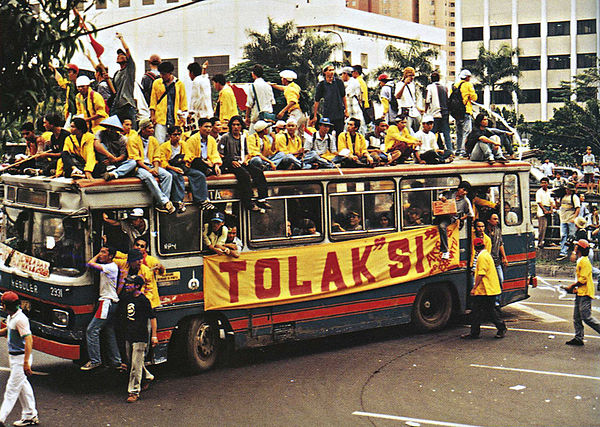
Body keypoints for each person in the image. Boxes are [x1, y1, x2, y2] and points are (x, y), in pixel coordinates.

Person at [81, 246, 123, 371]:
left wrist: (96, 255)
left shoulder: (110, 267)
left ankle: (95, 360)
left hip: (106, 303)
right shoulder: (111, 266)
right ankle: (116, 361)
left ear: (110, 256)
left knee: (92, 330)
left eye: (104, 252)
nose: (101, 254)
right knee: (109, 331)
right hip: (110, 302)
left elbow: (90, 263)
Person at [0, 292, 39, 427]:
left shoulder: (20, 319)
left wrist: (26, 363)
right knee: (22, 386)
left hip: (20, 358)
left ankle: (1, 418)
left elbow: (28, 339)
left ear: (6, 305)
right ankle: (30, 415)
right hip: (14, 357)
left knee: (11, 388)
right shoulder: (12, 317)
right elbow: (8, 331)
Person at [218, 115, 269, 212]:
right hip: (229, 162)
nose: (236, 127)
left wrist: (245, 160)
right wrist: (231, 161)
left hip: (241, 161)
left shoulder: (243, 138)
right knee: (244, 176)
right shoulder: (225, 137)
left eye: (238, 124)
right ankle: (248, 202)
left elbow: (246, 152)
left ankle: (262, 198)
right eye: (233, 125)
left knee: (258, 171)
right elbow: (220, 154)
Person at [119, 275, 157, 403]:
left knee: (135, 364)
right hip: (129, 335)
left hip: (140, 336)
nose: (127, 286)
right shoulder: (126, 298)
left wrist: (154, 336)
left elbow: (152, 318)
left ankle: (134, 392)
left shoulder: (144, 300)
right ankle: (147, 376)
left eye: (130, 284)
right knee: (133, 362)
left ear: (137, 286)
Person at [461, 238, 507, 339]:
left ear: (474, 247)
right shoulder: (486, 254)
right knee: (477, 311)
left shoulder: (482, 257)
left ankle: (501, 327)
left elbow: (481, 274)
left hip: (487, 289)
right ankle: (475, 332)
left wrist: (474, 287)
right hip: (486, 289)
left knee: (488, 311)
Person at [127, 119, 175, 214]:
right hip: (138, 167)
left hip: (151, 165)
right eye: (150, 128)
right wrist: (149, 169)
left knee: (168, 175)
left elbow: (157, 156)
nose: (152, 130)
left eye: (153, 127)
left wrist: (156, 168)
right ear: (143, 129)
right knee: (149, 177)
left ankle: (161, 204)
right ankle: (165, 202)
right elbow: (136, 159)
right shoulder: (133, 139)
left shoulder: (153, 140)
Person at [563, 239, 600, 346]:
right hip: (580, 292)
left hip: (585, 293)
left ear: (579, 249)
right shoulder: (581, 260)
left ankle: (579, 336)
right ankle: (578, 337)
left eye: (576, 247)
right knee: (577, 317)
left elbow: (583, 279)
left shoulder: (585, 262)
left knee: (586, 317)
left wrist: (572, 286)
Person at [182, 118, 221, 210]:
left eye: (210, 127)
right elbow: (190, 156)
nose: (208, 129)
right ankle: (203, 200)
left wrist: (216, 164)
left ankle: (209, 170)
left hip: (208, 163)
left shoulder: (211, 140)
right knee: (198, 162)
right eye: (206, 127)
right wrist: (205, 162)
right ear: (199, 127)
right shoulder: (192, 139)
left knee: (220, 166)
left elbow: (214, 154)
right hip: (195, 163)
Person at [150, 61, 187, 143]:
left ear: (170, 73)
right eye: (160, 74)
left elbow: (183, 102)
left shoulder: (179, 84)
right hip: (160, 117)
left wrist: (183, 116)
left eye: (164, 74)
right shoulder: (156, 83)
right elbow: (153, 100)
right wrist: (152, 115)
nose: (161, 76)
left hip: (175, 118)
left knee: (176, 141)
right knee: (159, 141)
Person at [436, 181, 474, 259]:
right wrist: (442, 198)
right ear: (459, 188)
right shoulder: (450, 194)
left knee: (442, 226)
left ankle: (445, 250)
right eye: (464, 190)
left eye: (466, 191)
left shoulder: (465, 201)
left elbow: (470, 214)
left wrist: (460, 218)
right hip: (442, 214)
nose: (465, 192)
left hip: (451, 218)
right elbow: (440, 196)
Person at [96, 116, 137, 181]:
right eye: (108, 128)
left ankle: (114, 173)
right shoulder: (101, 133)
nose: (110, 130)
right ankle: (109, 169)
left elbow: (123, 155)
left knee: (132, 162)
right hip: (104, 161)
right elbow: (97, 144)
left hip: (116, 162)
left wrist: (115, 160)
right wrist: (109, 156)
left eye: (112, 128)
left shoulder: (122, 139)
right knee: (101, 145)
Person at [109, 33, 137, 128]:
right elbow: (114, 91)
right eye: (118, 55)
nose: (119, 56)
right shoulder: (117, 73)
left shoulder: (130, 69)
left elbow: (127, 50)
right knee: (114, 130)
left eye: (122, 55)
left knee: (131, 131)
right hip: (116, 105)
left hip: (127, 104)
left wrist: (121, 38)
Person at [311, 64, 347, 136]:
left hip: (339, 112)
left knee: (340, 134)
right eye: (329, 70)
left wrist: (346, 109)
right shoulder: (321, 85)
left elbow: (343, 97)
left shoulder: (339, 82)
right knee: (327, 134)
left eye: (333, 70)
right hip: (328, 113)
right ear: (325, 72)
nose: (332, 72)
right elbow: (317, 101)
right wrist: (315, 115)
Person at [425, 71, 452, 154]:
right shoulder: (444, 87)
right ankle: (450, 150)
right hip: (445, 113)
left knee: (432, 132)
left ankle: (430, 150)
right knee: (446, 132)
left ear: (431, 79)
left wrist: (425, 112)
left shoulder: (430, 87)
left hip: (434, 113)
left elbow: (427, 100)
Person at [452, 69, 477, 157]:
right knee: (467, 132)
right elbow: (474, 97)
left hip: (456, 113)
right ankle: (463, 150)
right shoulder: (468, 85)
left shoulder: (455, 85)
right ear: (467, 77)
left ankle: (458, 149)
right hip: (466, 110)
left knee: (459, 132)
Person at [486, 213, 508, 306]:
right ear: (489, 220)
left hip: (497, 260)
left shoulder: (498, 230)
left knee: (500, 279)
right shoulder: (485, 232)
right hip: (488, 261)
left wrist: (504, 257)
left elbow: (500, 244)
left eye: (497, 219)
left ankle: (497, 302)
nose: (497, 221)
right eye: (494, 219)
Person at [245, 64, 275, 131]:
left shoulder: (252, 86)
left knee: (253, 138)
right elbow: (272, 102)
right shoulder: (268, 86)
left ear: (253, 74)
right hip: (268, 118)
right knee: (267, 139)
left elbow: (249, 104)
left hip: (257, 118)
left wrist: (246, 117)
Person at [557, 182, 581, 261]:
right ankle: (563, 252)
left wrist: (574, 218)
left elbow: (578, 208)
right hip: (563, 218)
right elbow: (558, 206)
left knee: (571, 236)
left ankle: (573, 252)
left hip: (570, 218)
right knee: (563, 235)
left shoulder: (574, 197)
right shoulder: (562, 197)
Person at [395, 67, 422, 133]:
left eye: (413, 76)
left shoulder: (413, 85)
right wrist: (404, 84)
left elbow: (413, 99)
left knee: (419, 130)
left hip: (414, 111)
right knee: (407, 131)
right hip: (405, 111)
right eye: (410, 75)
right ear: (405, 75)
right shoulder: (399, 84)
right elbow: (397, 96)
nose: (412, 77)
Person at [536, 177, 555, 248]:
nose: (543, 184)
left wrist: (551, 209)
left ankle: (548, 242)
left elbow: (551, 201)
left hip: (548, 209)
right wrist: (544, 210)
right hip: (542, 211)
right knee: (542, 228)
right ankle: (540, 242)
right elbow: (539, 202)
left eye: (545, 183)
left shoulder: (549, 191)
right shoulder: (539, 192)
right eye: (542, 183)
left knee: (549, 227)